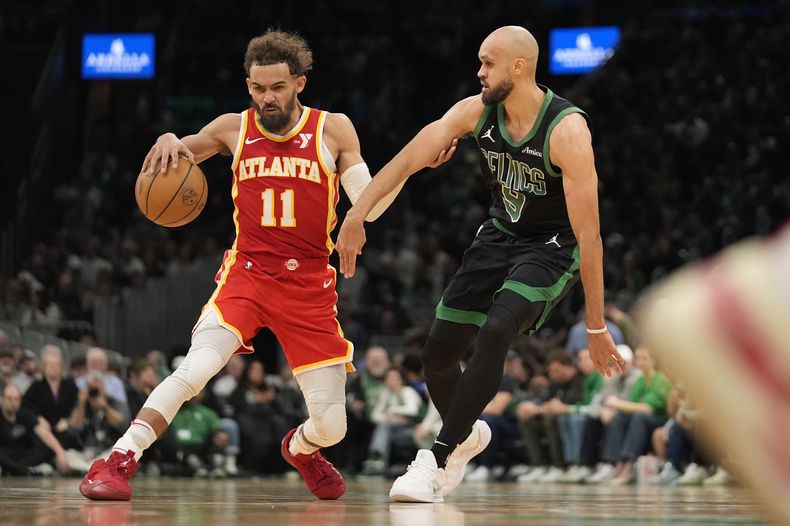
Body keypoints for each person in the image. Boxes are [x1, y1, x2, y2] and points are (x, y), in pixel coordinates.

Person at [80, 29, 451, 502]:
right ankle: (115, 461)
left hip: (309, 285)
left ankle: (301, 448)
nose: (266, 97)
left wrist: (411, 167)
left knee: (333, 426)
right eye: (257, 87)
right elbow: (179, 153)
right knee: (194, 370)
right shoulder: (232, 128)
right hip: (248, 274)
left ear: (299, 83)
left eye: (276, 87)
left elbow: (370, 205)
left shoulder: (333, 129)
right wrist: (171, 136)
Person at [336, 25, 624, 503]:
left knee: (496, 330)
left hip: (552, 246)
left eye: (488, 62)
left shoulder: (567, 130)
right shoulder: (476, 111)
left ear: (518, 66)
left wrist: (595, 326)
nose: (479, 71)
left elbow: (590, 237)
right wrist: (357, 214)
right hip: (499, 235)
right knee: (437, 357)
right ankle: (467, 435)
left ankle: (437, 458)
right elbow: (408, 158)